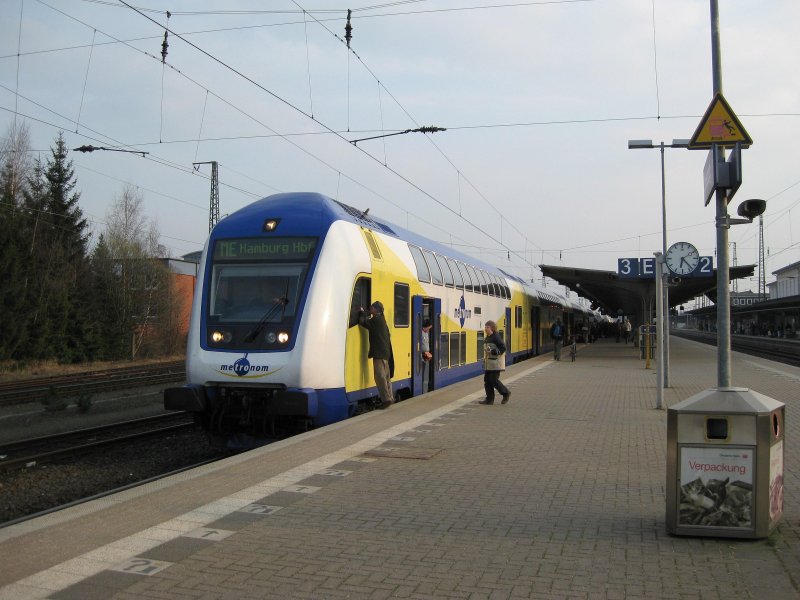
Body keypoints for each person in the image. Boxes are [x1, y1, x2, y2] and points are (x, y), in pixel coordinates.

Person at [358, 301, 394, 409]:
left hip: (379, 353)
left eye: (372, 307)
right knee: (386, 377)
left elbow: (363, 323)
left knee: (380, 377)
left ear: (376, 310)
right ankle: (390, 397)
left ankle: (386, 400)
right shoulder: (382, 320)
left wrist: (362, 313)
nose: (370, 308)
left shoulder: (376, 320)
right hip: (385, 353)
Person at [479, 320, 510, 405]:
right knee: (487, 381)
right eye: (485, 327)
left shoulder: (496, 337)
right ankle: (489, 400)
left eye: (487, 327)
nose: (486, 329)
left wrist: (492, 351)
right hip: (488, 364)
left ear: (492, 328)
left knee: (493, 380)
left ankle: (506, 393)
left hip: (496, 364)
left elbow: (503, 348)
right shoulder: (487, 337)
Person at [420, 318, 433, 392]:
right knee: (421, 373)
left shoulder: (426, 333)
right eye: (429, 328)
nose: (429, 329)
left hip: (425, 356)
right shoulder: (420, 333)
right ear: (426, 326)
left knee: (423, 372)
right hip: (422, 356)